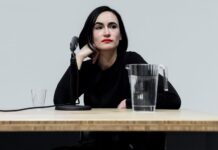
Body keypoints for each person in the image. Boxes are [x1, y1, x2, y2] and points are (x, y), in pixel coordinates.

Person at [53, 6, 181, 150]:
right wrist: (79, 57)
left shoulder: (132, 61)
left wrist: (129, 102)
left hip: (128, 146)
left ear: (120, 35)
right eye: (99, 27)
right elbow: (60, 101)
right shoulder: (87, 68)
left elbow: (173, 99)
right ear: (90, 36)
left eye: (113, 26)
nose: (107, 32)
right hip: (95, 145)